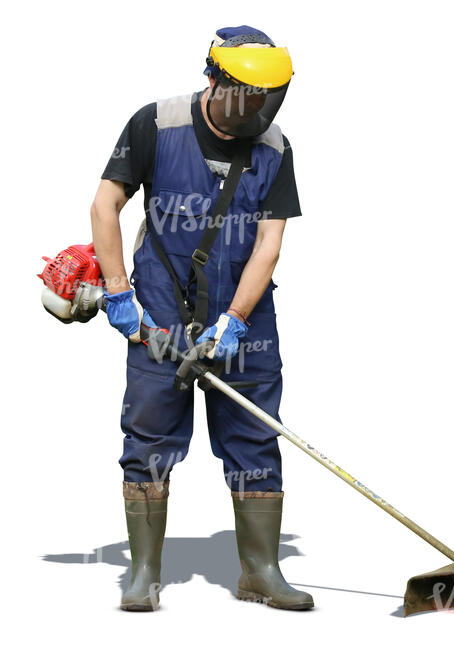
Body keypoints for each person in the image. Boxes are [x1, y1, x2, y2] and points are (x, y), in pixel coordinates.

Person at [90, 25, 314, 612]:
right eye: (247, 96)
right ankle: (143, 573)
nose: (255, 111)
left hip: (245, 315)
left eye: (267, 100)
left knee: (255, 436)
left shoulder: (274, 146)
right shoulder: (157, 124)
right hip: (161, 309)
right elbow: (106, 203)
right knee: (150, 434)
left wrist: (236, 319)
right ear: (213, 77)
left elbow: (268, 242)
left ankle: (260, 570)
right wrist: (118, 293)